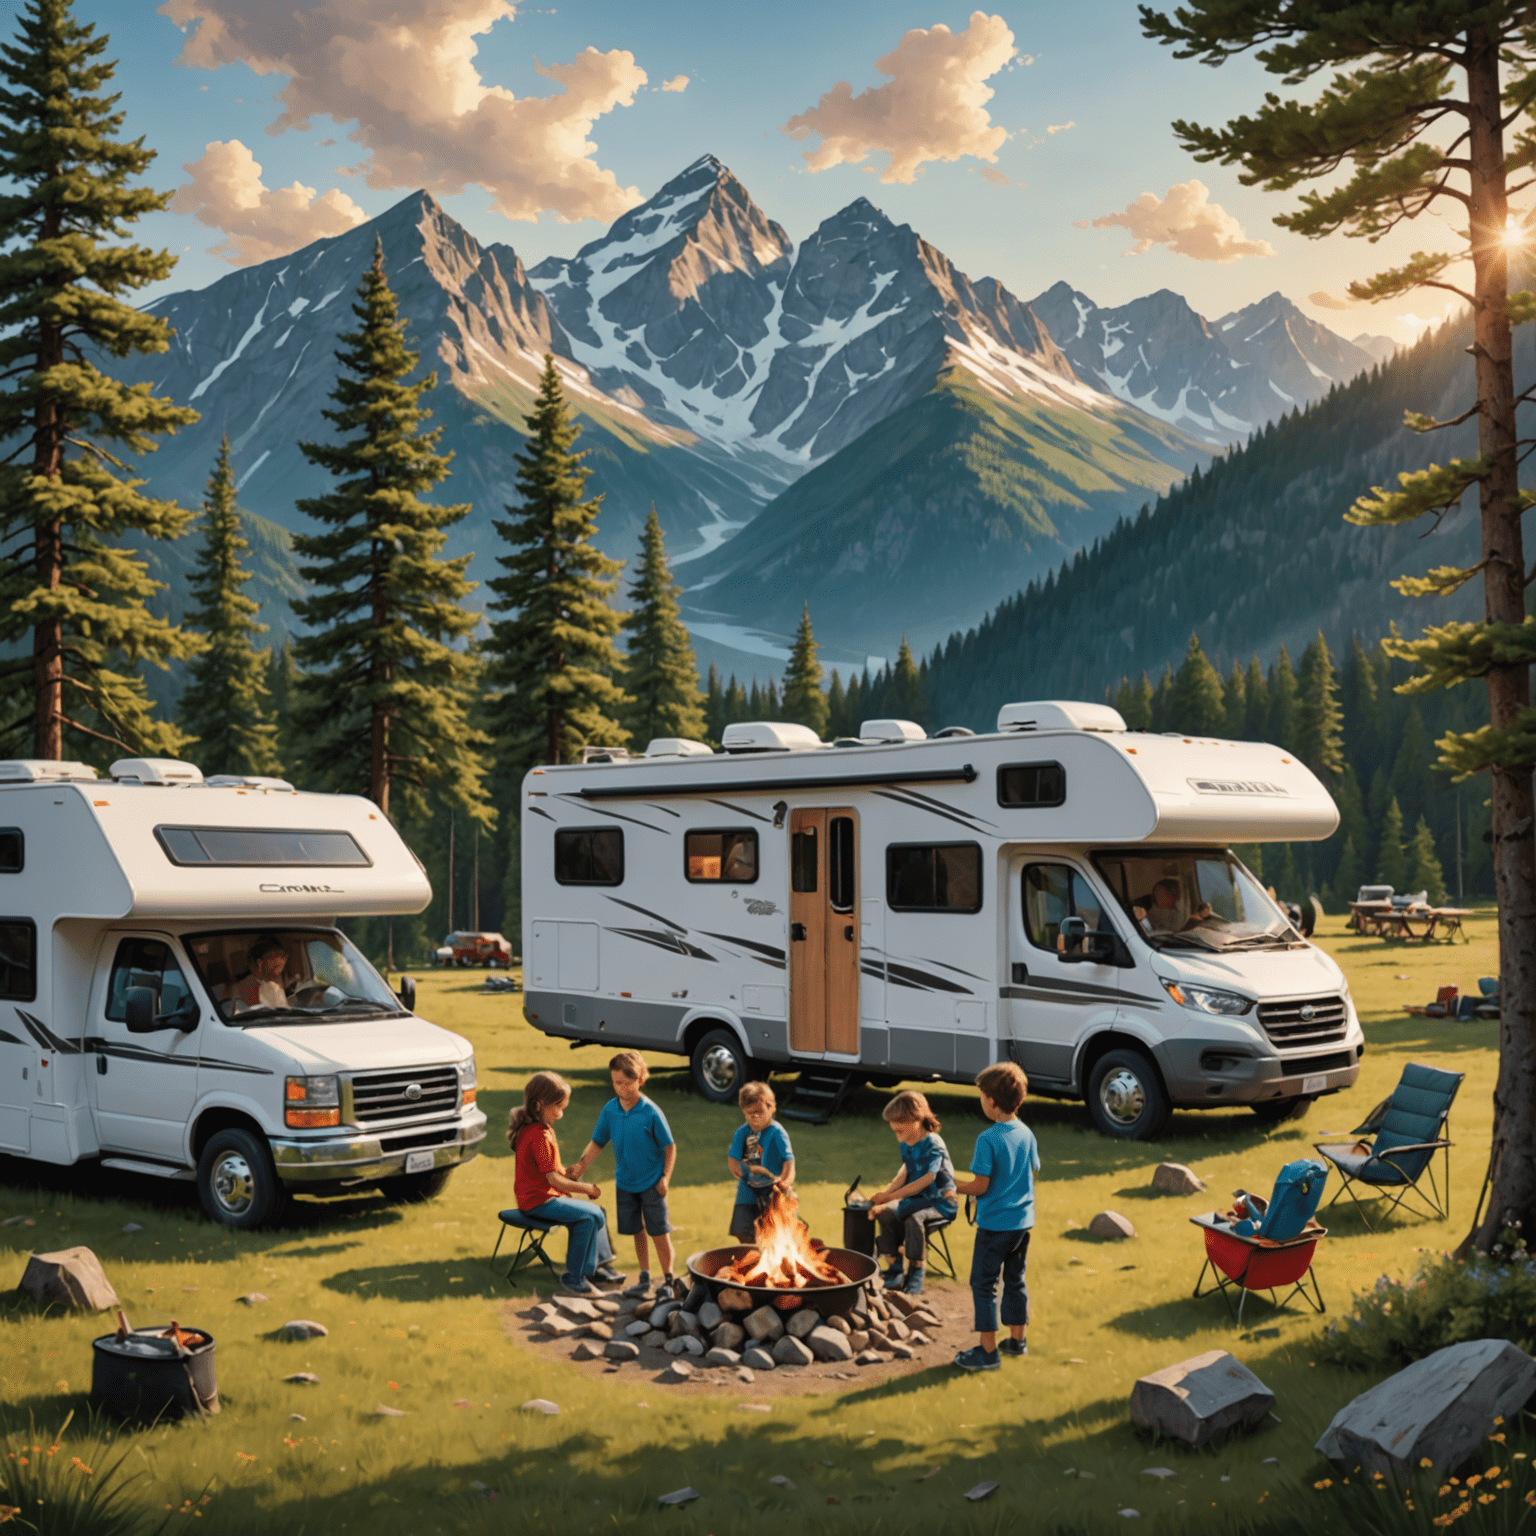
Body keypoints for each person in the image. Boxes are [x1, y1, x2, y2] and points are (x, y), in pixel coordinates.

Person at [566, 1051, 679, 1301]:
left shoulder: (650, 1112)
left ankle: (669, 1280)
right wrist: (580, 1168)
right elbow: (597, 1143)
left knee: (658, 1231)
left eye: (626, 1083)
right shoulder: (611, 1110)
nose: (621, 1088)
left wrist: (665, 1178)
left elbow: (670, 1147)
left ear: (640, 1080)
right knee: (637, 1230)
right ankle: (644, 1277)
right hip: (626, 1183)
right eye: (616, 1082)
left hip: (651, 1182)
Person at [951, 1061, 1040, 1372]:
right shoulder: (1026, 1133)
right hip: (1022, 1224)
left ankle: (987, 1353)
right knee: (1015, 1279)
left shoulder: (987, 1139)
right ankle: (1018, 1342)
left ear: (991, 1101)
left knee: (984, 1284)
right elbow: (1031, 1171)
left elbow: (981, 1185)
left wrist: (954, 1186)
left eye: (980, 1096)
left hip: (994, 1227)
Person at [507, 1071, 617, 1296]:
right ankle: (575, 1278)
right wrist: (586, 1189)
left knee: (597, 1213)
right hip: (539, 1201)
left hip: (538, 1197)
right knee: (589, 1216)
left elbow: (551, 1172)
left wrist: (570, 1172)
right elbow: (553, 1180)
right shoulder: (540, 1136)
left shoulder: (538, 1130)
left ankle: (594, 1269)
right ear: (539, 1105)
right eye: (558, 1107)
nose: (561, 1114)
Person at [868, 1090, 957, 1296]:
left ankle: (916, 1269)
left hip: (940, 1202)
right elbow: (905, 1172)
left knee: (912, 1217)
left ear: (916, 1120)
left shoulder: (934, 1144)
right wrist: (885, 1194)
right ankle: (895, 1268)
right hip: (916, 1200)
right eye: (895, 1132)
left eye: (900, 1131)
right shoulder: (907, 1143)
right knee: (887, 1213)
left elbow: (926, 1180)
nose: (897, 1136)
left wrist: (891, 1197)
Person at [726, 1081, 795, 1242]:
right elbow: (733, 1157)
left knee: (772, 1230)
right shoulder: (742, 1133)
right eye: (750, 1113)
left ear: (771, 1108)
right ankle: (750, 1256)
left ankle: (771, 1258)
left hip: (772, 1187)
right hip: (748, 1187)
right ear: (743, 1112)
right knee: (742, 1228)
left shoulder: (777, 1132)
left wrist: (786, 1181)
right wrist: (736, 1169)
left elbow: (788, 1162)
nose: (755, 1116)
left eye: (759, 1111)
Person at [1133, 877, 1211, 935]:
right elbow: (1151, 933)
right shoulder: (1150, 906)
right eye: (1155, 893)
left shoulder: (1180, 916)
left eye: (1161, 894)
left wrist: (1143, 920)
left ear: (1172, 897)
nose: (1155, 896)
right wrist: (1143, 919)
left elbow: (1159, 934)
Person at [234, 935, 290, 1009]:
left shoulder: (273, 986)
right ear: (260, 962)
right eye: (275, 955)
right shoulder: (249, 985)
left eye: (283, 955)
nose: (282, 960)